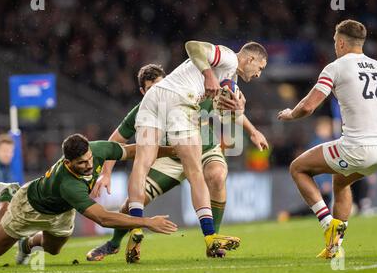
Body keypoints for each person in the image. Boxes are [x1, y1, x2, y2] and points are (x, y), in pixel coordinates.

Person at [87, 64, 268, 262]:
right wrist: (106, 172)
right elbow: (115, 141)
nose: (158, 90)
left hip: (204, 151)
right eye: (150, 88)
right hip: (169, 159)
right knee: (132, 203)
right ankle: (114, 243)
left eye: (161, 84)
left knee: (216, 175)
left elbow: (230, 109)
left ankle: (213, 240)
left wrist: (253, 131)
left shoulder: (194, 94)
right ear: (142, 92)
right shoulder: (143, 109)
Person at [277, 19, 377, 258]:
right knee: (341, 181)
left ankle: (328, 224)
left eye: (335, 42)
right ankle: (335, 247)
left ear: (342, 42)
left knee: (298, 168)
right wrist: (369, 109)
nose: (335, 46)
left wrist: (290, 114)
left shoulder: (336, 67)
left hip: (356, 147)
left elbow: (308, 106)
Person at [0, 134, 177, 263]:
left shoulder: (97, 149)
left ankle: (27, 243)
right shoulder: (69, 185)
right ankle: (6, 196)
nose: (89, 165)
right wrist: (147, 222)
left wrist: (172, 151)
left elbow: (133, 151)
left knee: (53, 250)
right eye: (82, 163)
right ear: (68, 162)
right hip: (31, 207)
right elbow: (103, 218)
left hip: (62, 210)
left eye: (90, 159)